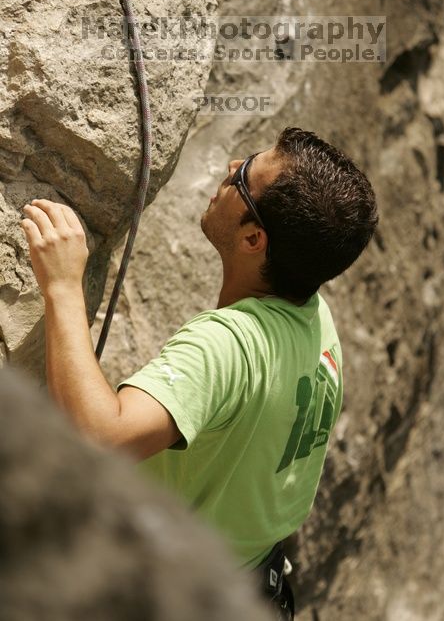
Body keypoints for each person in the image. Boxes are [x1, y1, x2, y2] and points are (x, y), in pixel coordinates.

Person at [20, 127, 378, 619]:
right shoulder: (317, 319)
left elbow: (102, 437)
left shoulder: (227, 345)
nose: (232, 166)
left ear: (254, 238)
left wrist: (62, 286)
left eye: (244, 176)